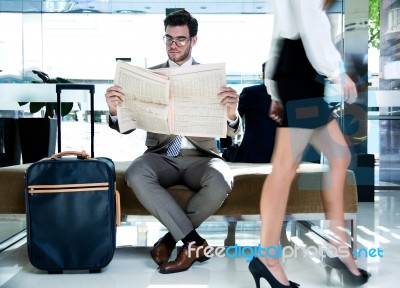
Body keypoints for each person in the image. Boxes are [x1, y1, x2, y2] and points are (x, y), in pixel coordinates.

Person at [104, 10, 241, 274]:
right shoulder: (146, 76)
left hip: (202, 157)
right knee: (136, 172)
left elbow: (231, 132)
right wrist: (113, 110)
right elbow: (125, 128)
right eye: (168, 38)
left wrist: (232, 114)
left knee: (222, 180)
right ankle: (194, 242)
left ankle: (171, 240)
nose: (173, 45)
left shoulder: (211, 78)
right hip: (161, 155)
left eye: (180, 39)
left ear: (194, 41)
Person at [248, 1, 370, 287]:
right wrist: (336, 71)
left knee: (338, 156)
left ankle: (337, 246)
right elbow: (309, 24)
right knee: (284, 169)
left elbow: (281, 30)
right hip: (302, 77)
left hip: (298, 77)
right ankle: (268, 258)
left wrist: (273, 89)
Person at [233, 62, 278, 163]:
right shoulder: (293, 96)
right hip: (283, 156)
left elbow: (232, 118)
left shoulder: (250, 93)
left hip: (253, 154)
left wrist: (226, 143)